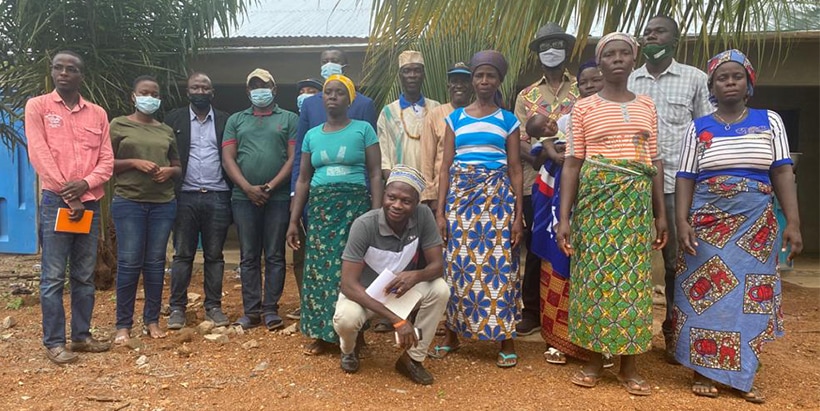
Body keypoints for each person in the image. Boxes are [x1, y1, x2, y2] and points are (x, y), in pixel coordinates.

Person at [673, 49, 802, 404]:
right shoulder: (698, 128)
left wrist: (793, 222)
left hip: (756, 225)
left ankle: (742, 373)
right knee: (706, 295)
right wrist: (682, 221)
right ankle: (704, 369)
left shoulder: (769, 120)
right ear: (712, 86)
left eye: (736, 77)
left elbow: (782, 171)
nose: (730, 82)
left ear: (748, 84)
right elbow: (686, 176)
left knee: (750, 298)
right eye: (722, 78)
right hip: (708, 222)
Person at [558, 33, 667, 396]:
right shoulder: (584, 107)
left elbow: (654, 162)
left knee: (633, 284)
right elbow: (572, 164)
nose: (617, 59)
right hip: (595, 204)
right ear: (599, 63)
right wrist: (565, 217)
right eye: (610, 55)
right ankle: (593, 359)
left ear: (633, 61)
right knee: (593, 280)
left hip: (635, 207)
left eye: (624, 54)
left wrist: (659, 214)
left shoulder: (647, 106)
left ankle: (629, 365)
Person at [628, 15, 713, 363]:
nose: (651, 36)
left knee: (677, 262)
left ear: (674, 40)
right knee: (629, 259)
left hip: (676, 185)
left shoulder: (695, 79)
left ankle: (674, 333)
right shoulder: (629, 80)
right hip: (633, 184)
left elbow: (706, 133)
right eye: (647, 32)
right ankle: (627, 334)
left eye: (658, 31)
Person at [431, 50, 524, 368]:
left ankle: (505, 338)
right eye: (479, 75)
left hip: (497, 204)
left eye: (490, 76)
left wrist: (517, 216)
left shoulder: (508, 120)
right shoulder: (455, 119)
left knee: (499, 268)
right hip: (460, 203)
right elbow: (445, 168)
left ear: (499, 80)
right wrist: (440, 212)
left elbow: (515, 169)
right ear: (472, 80)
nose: (484, 81)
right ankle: (452, 335)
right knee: (458, 268)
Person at [25, 50, 114, 364]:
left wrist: (86, 185)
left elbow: (106, 161)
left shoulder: (98, 114)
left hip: (90, 203)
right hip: (55, 203)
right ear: (52, 72)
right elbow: (39, 154)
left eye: (71, 69)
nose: (64, 73)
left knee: (84, 275)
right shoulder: (38, 107)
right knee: (52, 276)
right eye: (58, 68)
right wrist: (69, 194)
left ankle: (80, 337)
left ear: (81, 75)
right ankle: (53, 342)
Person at [287, 74, 383, 356]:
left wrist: (376, 213)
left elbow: (376, 173)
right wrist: (294, 220)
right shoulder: (312, 135)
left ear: (349, 99)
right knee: (319, 270)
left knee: (352, 269)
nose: (332, 97)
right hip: (321, 209)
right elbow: (303, 180)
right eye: (327, 92)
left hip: (354, 207)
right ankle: (321, 335)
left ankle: (356, 334)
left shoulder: (363, 129)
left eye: (339, 93)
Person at [333, 165, 448, 385]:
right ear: (384, 195)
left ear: (416, 204)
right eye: (391, 197)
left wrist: (415, 276)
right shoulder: (365, 224)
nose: (396, 205)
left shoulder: (423, 216)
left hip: (398, 292)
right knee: (346, 320)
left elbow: (438, 266)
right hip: (363, 295)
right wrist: (396, 320)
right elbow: (348, 285)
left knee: (440, 289)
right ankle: (348, 350)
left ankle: (412, 359)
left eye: (406, 201)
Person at [529, 60, 608, 366]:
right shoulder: (566, 119)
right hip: (560, 201)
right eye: (585, 83)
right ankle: (557, 340)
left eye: (596, 81)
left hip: (599, 202)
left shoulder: (618, 116)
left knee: (594, 271)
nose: (590, 87)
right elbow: (544, 143)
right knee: (557, 263)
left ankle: (598, 343)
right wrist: (553, 152)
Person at [513, 22, 579, 337]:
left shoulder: (583, 88)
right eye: (544, 45)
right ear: (538, 54)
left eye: (557, 44)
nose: (551, 50)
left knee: (569, 242)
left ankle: (569, 310)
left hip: (574, 181)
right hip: (535, 180)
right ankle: (533, 310)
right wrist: (542, 155)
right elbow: (519, 139)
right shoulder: (527, 95)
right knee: (537, 243)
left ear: (567, 50)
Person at [222, 68, 297, 331]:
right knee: (248, 255)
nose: (259, 90)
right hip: (243, 198)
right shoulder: (235, 120)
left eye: (264, 85)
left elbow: (293, 158)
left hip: (276, 198)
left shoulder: (289, 119)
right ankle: (251, 311)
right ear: (247, 91)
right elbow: (228, 158)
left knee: (275, 254)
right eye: (254, 86)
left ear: (274, 89)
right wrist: (247, 187)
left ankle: (270, 309)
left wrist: (270, 185)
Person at [111, 75, 181, 344]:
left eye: (154, 93)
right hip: (129, 202)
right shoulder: (118, 124)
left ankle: (152, 320)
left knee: (155, 264)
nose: (149, 97)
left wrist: (169, 171)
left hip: (163, 203)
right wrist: (133, 162)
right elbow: (106, 163)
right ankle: (123, 325)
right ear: (133, 96)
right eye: (144, 92)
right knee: (128, 264)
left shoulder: (165, 130)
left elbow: (177, 165)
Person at [165, 72, 232, 329]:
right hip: (185, 196)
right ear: (187, 91)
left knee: (215, 255)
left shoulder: (226, 120)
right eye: (195, 87)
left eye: (205, 87)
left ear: (212, 92)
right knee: (183, 255)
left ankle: (213, 306)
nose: (200, 91)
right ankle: (177, 308)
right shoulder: (174, 119)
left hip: (218, 195)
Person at [378, 50, 441, 182]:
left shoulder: (435, 108)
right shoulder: (388, 112)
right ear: (400, 75)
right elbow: (384, 154)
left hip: (431, 182)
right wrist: (393, 181)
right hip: (400, 184)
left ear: (423, 75)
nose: (412, 75)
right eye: (407, 71)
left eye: (417, 71)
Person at [419, 62, 473, 213]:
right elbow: (427, 160)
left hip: (473, 191)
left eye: (464, 81)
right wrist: (431, 196)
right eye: (455, 81)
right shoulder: (435, 115)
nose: (459, 85)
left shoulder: (480, 115)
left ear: (472, 85)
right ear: (448, 85)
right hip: (442, 192)